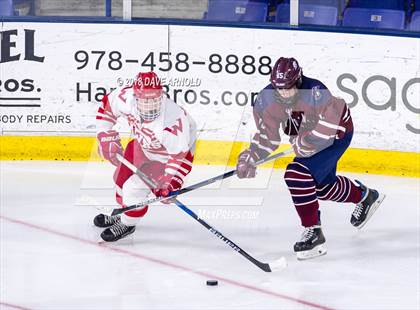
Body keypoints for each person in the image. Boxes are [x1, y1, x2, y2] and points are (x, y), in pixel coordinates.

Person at [236, 57, 385, 260]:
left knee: (296, 174)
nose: (283, 93)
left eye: (288, 87)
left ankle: (313, 232)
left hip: (337, 135)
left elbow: (329, 128)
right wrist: (251, 156)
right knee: (322, 187)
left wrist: (305, 143)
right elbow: (267, 136)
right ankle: (365, 197)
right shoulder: (266, 100)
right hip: (308, 136)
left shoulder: (316, 92)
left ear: (298, 81)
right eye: (279, 88)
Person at [94, 71, 197, 242]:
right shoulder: (125, 98)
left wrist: (171, 182)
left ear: (161, 96)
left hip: (166, 159)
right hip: (142, 146)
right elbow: (107, 107)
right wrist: (105, 135)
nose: (149, 106)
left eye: (154, 100)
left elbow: (179, 157)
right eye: (144, 101)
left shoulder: (174, 120)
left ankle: (127, 224)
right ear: (135, 97)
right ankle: (123, 213)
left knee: (133, 191)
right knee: (120, 180)